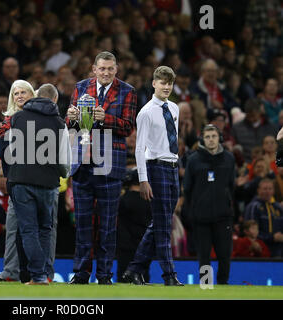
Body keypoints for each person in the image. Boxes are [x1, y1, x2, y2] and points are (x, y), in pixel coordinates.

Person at [66, 51, 136, 285]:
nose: (106, 73)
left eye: (110, 69)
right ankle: (81, 273)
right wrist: (71, 117)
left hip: (109, 166)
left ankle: (104, 275)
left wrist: (106, 119)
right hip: (82, 163)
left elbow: (127, 127)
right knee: (83, 225)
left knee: (107, 226)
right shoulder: (80, 87)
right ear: (94, 69)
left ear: (116, 69)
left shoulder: (127, 91)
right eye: (102, 69)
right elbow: (71, 124)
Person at [121, 65, 184, 286]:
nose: (166, 86)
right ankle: (169, 275)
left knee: (160, 222)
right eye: (163, 82)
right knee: (163, 224)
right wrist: (143, 178)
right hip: (155, 168)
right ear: (154, 83)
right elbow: (139, 148)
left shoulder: (175, 108)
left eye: (170, 83)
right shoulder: (146, 112)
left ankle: (134, 269)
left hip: (172, 167)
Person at [7, 83, 71, 285]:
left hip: (21, 181)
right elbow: (64, 161)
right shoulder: (60, 123)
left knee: (28, 230)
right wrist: (62, 173)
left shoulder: (17, 118)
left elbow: (12, 153)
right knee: (45, 230)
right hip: (48, 184)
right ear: (54, 100)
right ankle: (42, 275)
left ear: (35, 96)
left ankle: (38, 276)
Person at [0, 80, 36, 283]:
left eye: (24, 92)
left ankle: (39, 272)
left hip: (35, 181)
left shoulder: (40, 119)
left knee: (37, 229)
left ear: (32, 95)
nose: (20, 96)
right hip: (16, 181)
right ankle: (10, 272)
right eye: (16, 94)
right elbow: (5, 153)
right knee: (13, 227)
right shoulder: (7, 122)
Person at [183, 124, 236, 284]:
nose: (211, 140)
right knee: (204, 256)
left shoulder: (229, 158)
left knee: (224, 255)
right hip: (201, 217)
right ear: (202, 139)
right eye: (207, 137)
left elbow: (232, 186)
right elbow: (187, 188)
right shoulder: (193, 160)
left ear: (219, 138)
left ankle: (223, 284)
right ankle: (206, 286)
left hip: (223, 216)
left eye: (213, 136)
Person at [244, 178, 283, 257]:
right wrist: (272, 238)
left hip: (279, 250)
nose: (267, 191)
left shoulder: (278, 207)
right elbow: (251, 231)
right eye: (265, 189)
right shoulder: (254, 206)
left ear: (273, 191)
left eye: (270, 189)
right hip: (260, 249)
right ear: (258, 190)